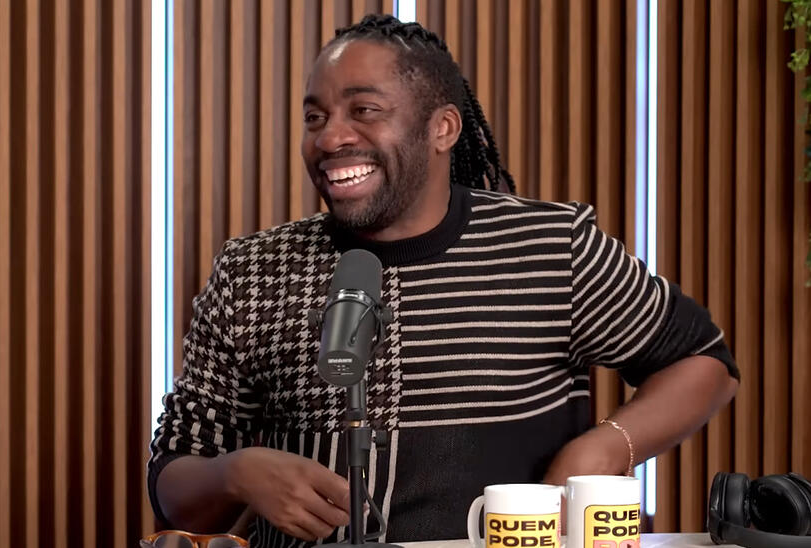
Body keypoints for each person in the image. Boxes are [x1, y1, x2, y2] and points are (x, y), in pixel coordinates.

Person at [148, 14, 739, 547]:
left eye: (364, 110)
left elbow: (703, 362)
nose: (330, 138)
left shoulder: (550, 247)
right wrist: (236, 473)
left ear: (443, 128)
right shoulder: (253, 270)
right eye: (315, 117)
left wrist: (605, 446)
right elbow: (177, 486)